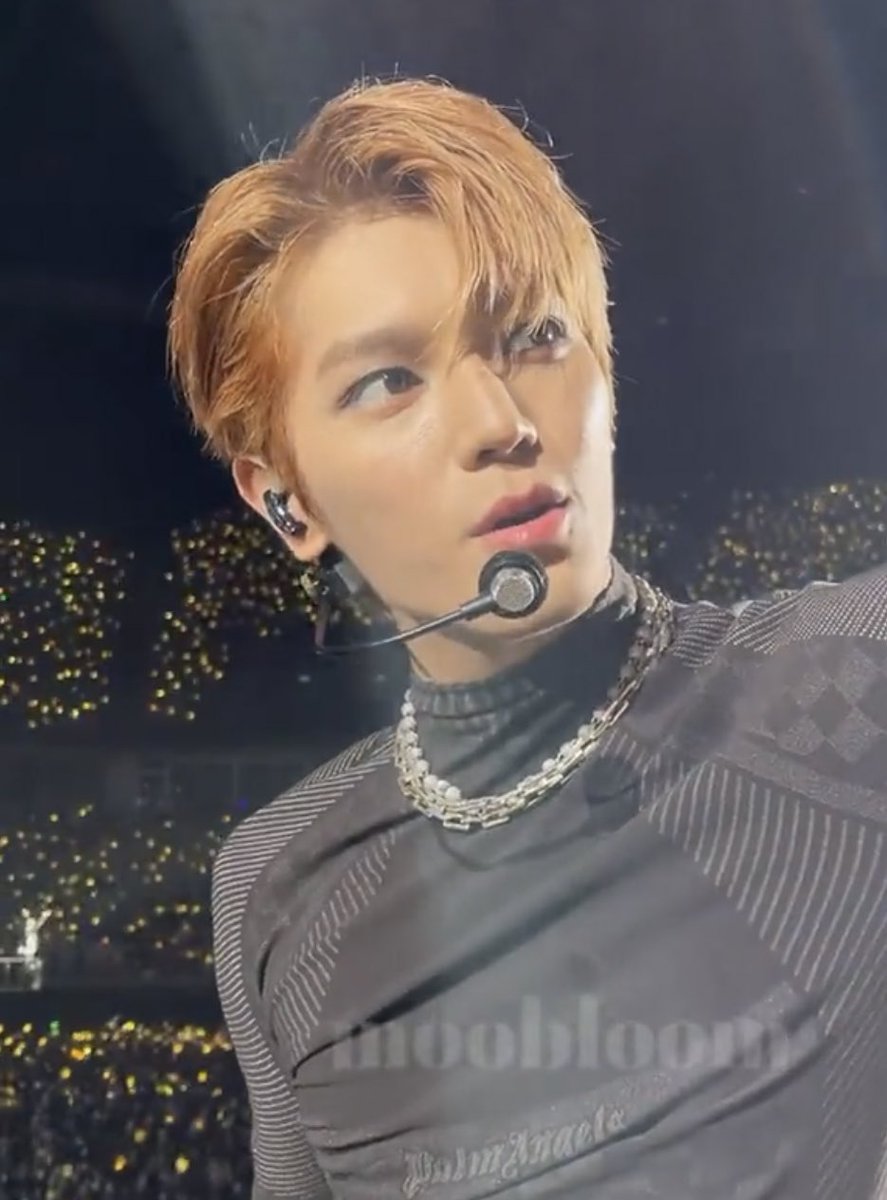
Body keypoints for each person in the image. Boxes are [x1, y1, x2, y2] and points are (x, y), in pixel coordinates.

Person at [168, 77, 887, 1200]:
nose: (500, 423)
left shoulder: (851, 677)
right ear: (284, 501)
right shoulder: (272, 884)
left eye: (535, 336)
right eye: (388, 381)